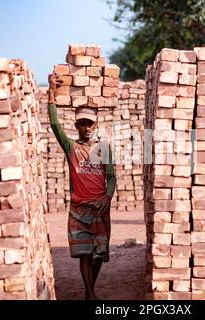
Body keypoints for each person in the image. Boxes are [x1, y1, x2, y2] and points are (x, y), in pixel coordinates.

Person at [48, 75, 117, 300]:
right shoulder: (71, 147)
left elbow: (112, 177)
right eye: (82, 123)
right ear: (76, 126)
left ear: (95, 125)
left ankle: (90, 291)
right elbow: (55, 125)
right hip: (79, 209)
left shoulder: (103, 147)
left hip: (100, 210)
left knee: (98, 255)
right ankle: (90, 293)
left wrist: (107, 198)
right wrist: (51, 92)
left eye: (90, 123)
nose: (86, 128)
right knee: (84, 255)